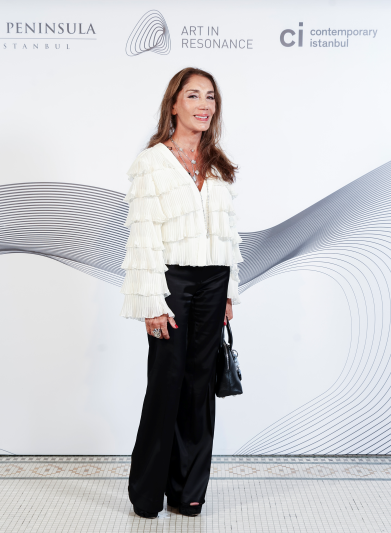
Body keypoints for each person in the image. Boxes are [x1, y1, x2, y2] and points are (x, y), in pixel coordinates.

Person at [120, 67, 243, 518]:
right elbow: (143, 236)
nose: (204, 105)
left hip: (214, 281)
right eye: (193, 96)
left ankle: (188, 491)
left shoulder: (218, 164)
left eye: (210, 97)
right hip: (171, 281)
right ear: (174, 104)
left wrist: (228, 292)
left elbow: (227, 233)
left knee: (199, 387)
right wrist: (152, 302)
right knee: (166, 384)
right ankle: (147, 493)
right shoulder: (152, 162)